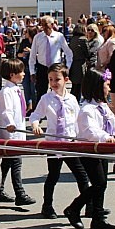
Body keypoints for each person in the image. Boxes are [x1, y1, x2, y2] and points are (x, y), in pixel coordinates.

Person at [63, 68, 115, 229]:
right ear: (96, 86)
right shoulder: (87, 110)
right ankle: (74, 208)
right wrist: (105, 137)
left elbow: (114, 126)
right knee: (98, 183)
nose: (108, 88)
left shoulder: (103, 107)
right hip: (90, 151)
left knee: (102, 185)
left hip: (102, 151)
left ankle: (98, 218)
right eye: (106, 85)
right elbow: (91, 131)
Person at [30, 63, 89, 219]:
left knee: (82, 176)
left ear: (66, 80)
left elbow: (79, 120)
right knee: (53, 176)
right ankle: (47, 206)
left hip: (70, 143)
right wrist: (36, 125)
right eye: (50, 79)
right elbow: (35, 115)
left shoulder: (72, 99)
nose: (54, 83)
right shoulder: (46, 99)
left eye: (57, 79)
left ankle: (88, 205)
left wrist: (83, 138)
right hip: (54, 143)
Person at [0, 58, 36, 206]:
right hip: (11, 133)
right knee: (16, 162)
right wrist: (11, 124)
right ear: (12, 75)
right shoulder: (6, 92)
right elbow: (7, 112)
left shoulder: (16, 89)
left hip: (19, 130)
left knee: (7, 163)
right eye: (21, 72)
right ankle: (20, 193)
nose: (24, 74)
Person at [29, 15, 73, 107]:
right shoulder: (38, 37)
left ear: (52, 25)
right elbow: (32, 55)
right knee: (41, 92)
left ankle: (58, 111)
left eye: (46, 25)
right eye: (42, 25)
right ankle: (40, 113)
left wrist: (67, 68)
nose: (44, 27)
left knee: (57, 91)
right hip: (42, 67)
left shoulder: (59, 36)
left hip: (56, 68)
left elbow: (68, 53)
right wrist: (32, 72)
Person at [17, 27, 37, 114]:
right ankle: (28, 106)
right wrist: (22, 54)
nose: (25, 33)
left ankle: (35, 107)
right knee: (26, 87)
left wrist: (31, 51)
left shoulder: (37, 42)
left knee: (34, 89)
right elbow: (18, 54)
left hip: (35, 68)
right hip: (25, 67)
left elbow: (40, 55)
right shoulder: (24, 42)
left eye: (26, 32)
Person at [68, 24, 90, 102]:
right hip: (80, 64)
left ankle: (72, 100)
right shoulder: (83, 39)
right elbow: (87, 53)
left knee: (74, 86)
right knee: (80, 86)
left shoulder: (72, 39)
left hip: (73, 64)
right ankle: (76, 101)